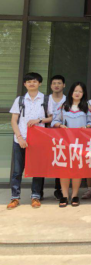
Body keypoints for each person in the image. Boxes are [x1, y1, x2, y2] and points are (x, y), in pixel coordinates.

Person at [7, 73, 48, 210]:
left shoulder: (45, 99)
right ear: (25, 84)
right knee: (17, 171)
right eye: (29, 81)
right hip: (20, 139)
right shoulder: (19, 100)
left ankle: (35, 196)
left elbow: (50, 117)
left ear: (39, 83)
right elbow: (14, 120)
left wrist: (38, 120)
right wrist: (19, 137)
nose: (31, 83)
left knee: (37, 169)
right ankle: (15, 197)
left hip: (38, 140)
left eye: (34, 81)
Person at [52, 82, 91, 208]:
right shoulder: (63, 105)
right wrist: (60, 125)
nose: (77, 93)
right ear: (71, 92)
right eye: (75, 91)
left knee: (77, 169)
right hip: (64, 142)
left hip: (80, 143)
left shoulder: (87, 106)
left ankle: (75, 195)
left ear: (83, 94)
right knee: (64, 170)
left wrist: (86, 127)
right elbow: (55, 121)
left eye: (80, 91)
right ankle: (64, 196)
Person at [48, 75, 66, 201]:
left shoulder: (67, 100)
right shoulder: (45, 99)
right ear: (50, 86)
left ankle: (58, 189)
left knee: (60, 160)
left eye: (59, 83)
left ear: (64, 85)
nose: (56, 85)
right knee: (44, 161)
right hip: (46, 133)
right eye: (54, 83)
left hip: (62, 135)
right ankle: (37, 192)